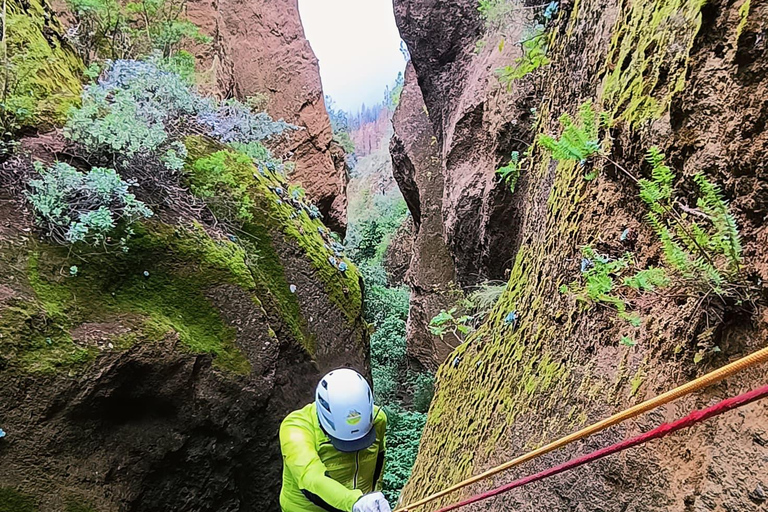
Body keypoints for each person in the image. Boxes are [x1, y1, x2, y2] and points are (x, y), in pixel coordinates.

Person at [279, 368, 391, 512]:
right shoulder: (296, 428)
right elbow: (311, 479)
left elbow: (379, 461)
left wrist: (374, 498)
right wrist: (354, 502)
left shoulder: (378, 420)